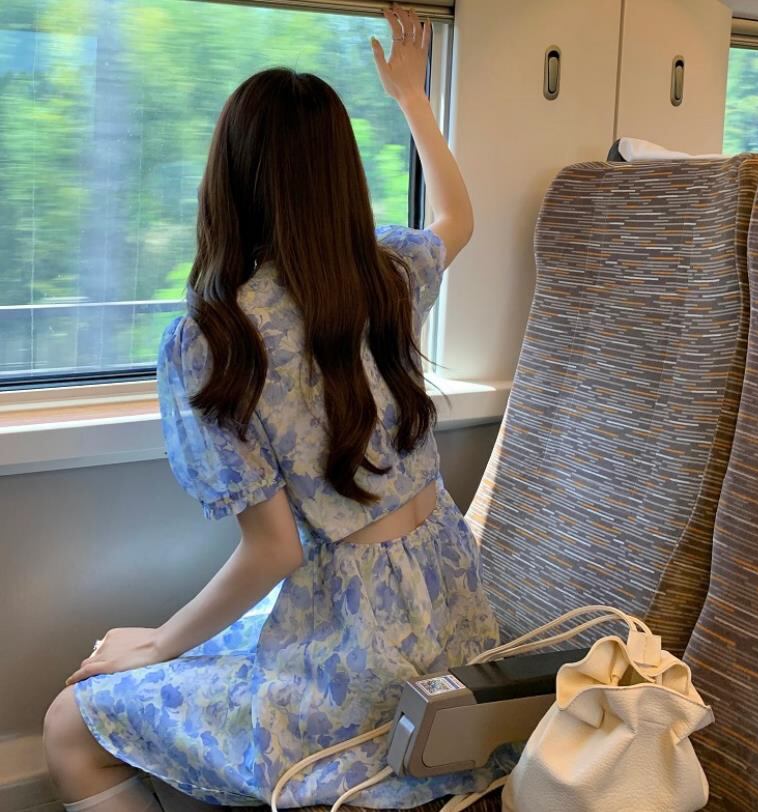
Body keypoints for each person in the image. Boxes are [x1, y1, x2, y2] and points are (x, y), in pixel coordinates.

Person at [42, 6, 513, 809]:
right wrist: (412, 98)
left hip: (353, 668)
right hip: (450, 623)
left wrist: (156, 644)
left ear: (226, 180)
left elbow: (274, 552)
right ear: (340, 176)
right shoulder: (387, 275)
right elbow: (457, 220)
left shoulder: (215, 340)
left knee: (65, 724)